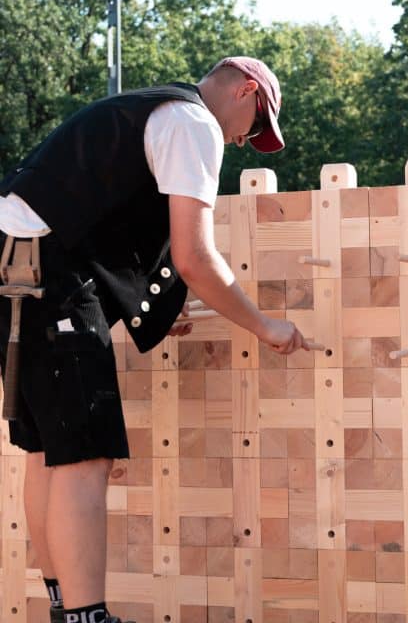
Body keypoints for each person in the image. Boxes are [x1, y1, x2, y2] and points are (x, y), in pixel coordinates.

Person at [0, 57, 308, 623]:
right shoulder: (194, 124)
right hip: (48, 280)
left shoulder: (150, 110)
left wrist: (150, 304)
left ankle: (64, 609)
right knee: (84, 458)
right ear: (245, 91)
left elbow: (96, 221)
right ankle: (88, 617)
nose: (245, 140)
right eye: (255, 124)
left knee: (49, 455)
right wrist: (267, 326)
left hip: (15, 271)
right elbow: (195, 257)